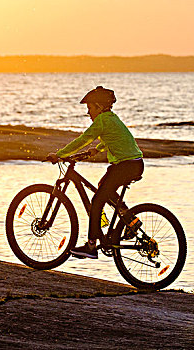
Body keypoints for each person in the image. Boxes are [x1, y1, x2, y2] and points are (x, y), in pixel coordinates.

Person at [47, 86, 144, 259]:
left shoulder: (102, 121)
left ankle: (92, 245)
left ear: (99, 107)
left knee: (97, 199)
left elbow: (84, 139)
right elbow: (114, 138)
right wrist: (97, 149)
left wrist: (60, 155)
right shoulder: (111, 119)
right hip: (133, 164)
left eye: (90, 108)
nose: (88, 113)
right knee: (103, 188)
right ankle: (131, 222)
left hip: (126, 165)